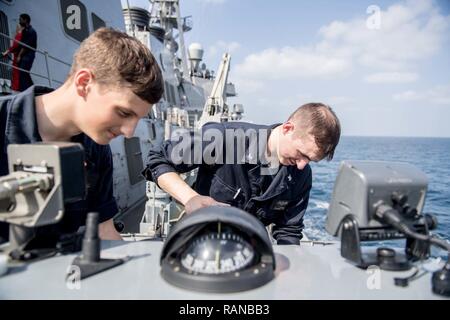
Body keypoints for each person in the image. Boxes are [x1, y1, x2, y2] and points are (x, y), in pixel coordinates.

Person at [0, 27, 164, 244]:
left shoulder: (97, 151)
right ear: (84, 83)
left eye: (137, 120)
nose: (129, 132)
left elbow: (103, 231)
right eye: (124, 113)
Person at [143, 103, 341, 244]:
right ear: (288, 128)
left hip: (251, 249)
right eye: (301, 154)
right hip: (199, 241)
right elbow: (158, 158)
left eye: (310, 161)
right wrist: (190, 198)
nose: (301, 165)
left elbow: (289, 230)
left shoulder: (301, 175)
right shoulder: (224, 139)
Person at [16, 13, 37, 91]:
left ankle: (28, 90)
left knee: (23, 71)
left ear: (25, 20)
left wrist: (19, 56)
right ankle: (30, 89)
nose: (19, 21)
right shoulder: (25, 30)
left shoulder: (31, 31)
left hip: (28, 55)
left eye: (20, 19)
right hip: (25, 55)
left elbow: (25, 45)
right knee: (23, 72)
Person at [1, 24, 24, 92]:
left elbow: (15, 46)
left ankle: (16, 89)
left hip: (17, 59)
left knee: (16, 75)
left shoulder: (19, 36)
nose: (16, 29)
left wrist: (6, 52)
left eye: (17, 27)